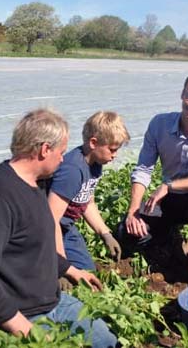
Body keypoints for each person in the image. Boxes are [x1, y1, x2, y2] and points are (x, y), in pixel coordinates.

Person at [0, 109, 117, 348]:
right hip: (21, 314)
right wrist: (25, 329)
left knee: (107, 342)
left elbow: (34, 245)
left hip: (54, 302)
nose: (64, 160)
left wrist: (71, 271)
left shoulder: (37, 185)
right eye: (61, 153)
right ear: (44, 150)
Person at [116, 73, 188, 285]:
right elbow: (143, 169)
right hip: (168, 203)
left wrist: (169, 185)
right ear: (181, 95)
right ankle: (162, 247)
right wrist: (133, 212)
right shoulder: (159, 124)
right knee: (125, 230)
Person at [48, 111, 130, 271]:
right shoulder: (72, 171)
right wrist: (61, 265)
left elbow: (87, 201)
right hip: (46, 231)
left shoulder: (95, 164)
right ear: (93, 143)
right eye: (112, 150)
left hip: (67, 228)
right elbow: (50, 219)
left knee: (87, 270)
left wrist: (105, 233)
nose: (115, 156)